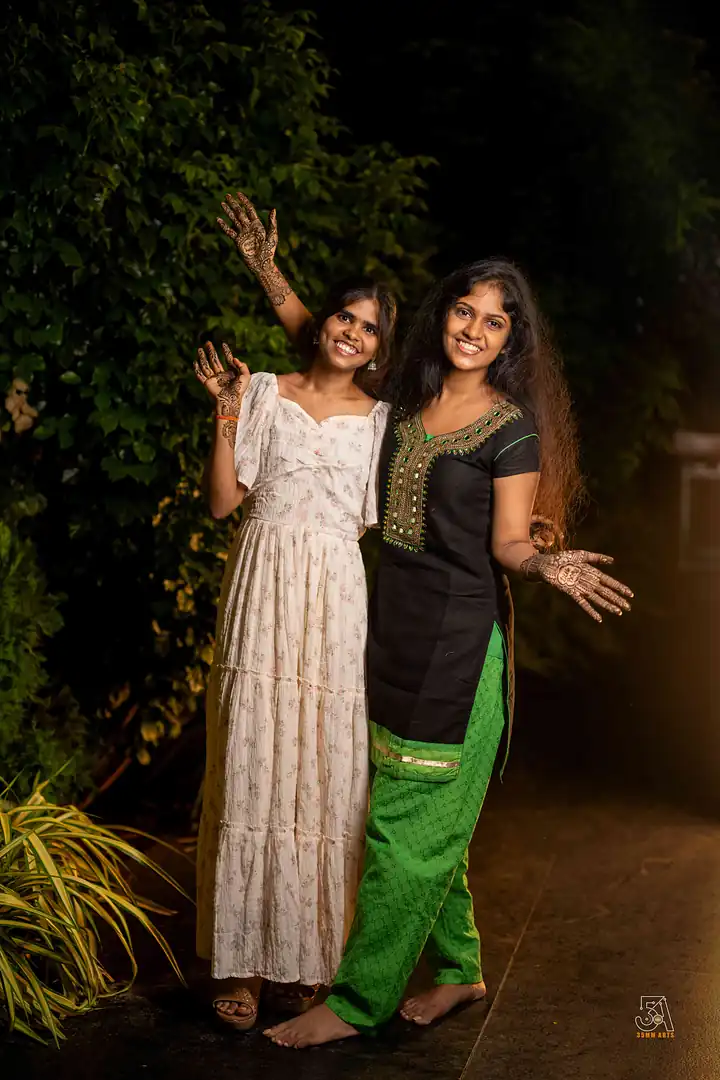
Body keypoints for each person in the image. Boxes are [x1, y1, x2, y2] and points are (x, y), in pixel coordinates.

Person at [237, 252, 633, 1048]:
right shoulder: (407, 401)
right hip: (391, 637)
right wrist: (270, 275)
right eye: (464, 310)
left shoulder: (510, 430)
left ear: (512, 340)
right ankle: (460, 969)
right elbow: (332, 343)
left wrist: (544, 563)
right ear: (443, 313)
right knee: (420, 818)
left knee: (401, 832)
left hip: (458, 653)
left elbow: (510, 541)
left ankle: (356, 1002)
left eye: (495, 321)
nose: (474, 330)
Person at [193, 252, 395, 1029]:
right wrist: (226, 414)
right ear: (323, 321)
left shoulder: (382, 422)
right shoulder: (263, 393)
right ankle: (240, 964)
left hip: (334, 600)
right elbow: (222, 503)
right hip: (262, 582)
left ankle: (303, 959)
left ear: (379, 348)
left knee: (321, 764)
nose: (353, 333)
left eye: (370, 328)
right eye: (345, 316)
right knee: (252, 755)